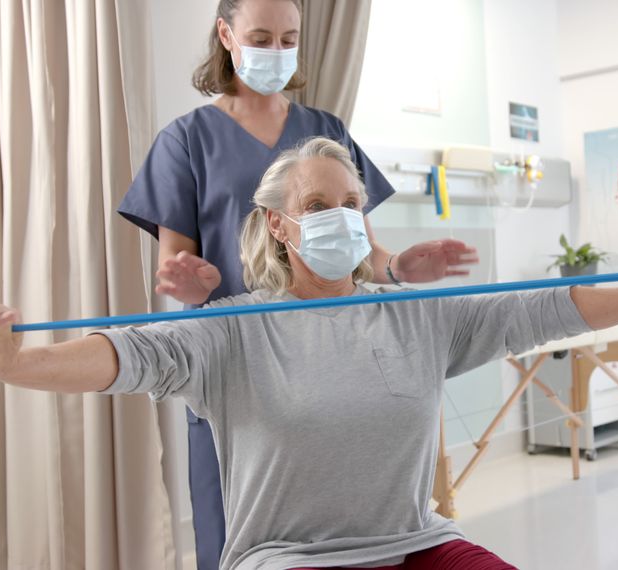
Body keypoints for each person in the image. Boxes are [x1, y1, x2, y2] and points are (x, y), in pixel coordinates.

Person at [0, 137, 618, 570]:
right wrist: (13, 362)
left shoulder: (418, 317)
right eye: (319, 206)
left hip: (414, 544)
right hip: (286, 560)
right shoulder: (232, 330)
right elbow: (126, 355)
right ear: (281, 227)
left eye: (352, 205)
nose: (342, 218)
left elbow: (546, 309)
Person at [119, 0, 477, 565]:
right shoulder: (185, 141)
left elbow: (361, 247)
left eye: (289, 38)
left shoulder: (325, 130)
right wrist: (192, 286)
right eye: (261, 37)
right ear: (225, 34)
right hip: (242, 365)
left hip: (339, 362)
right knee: (238, 536)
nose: (278, 51)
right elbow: (177, 268)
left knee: (362, 528)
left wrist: (399, 269)